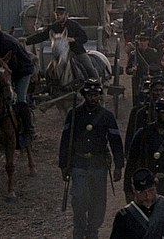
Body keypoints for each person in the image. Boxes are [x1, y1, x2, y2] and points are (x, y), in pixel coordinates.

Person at [58, 78, 124, 239]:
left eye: (96, 94)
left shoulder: (107, 116)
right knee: (79, 198)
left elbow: (115, 141)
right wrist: (63, 165)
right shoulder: (74, 114)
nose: (93, 98)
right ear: (84, 95)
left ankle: (92, 231)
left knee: (98, 201)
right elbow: (66, 139)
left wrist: (118, 166)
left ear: (100, 95)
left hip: (98, 164)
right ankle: (79, 230)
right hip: (79, 163)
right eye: (89, 94)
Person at [0, 18, 37, 140]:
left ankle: (29, 129)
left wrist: (8, 81)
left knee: (20, 99)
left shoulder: (5, 42)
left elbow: (13, 65)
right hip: (11, 69)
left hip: (23, 71)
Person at [26, 5, 98, 78]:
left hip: (77, 52)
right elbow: (41, 36)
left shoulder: (74, 25)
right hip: (60, 55)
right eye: (57, 14)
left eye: (61, 14)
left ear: (66, 15)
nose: (58, 16)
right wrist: (27, 40)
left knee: (89, 67)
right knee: (48, 71)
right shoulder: (54, 27)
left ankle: (96, 81)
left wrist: (73, 39)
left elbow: (84, 38)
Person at [110, 168, 164, 239]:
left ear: (155, 187)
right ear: (134, 190)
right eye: (142, 192)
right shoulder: (124, 216)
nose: (148, 196)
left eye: (151, 190)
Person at [126, 32, 161, 98]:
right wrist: (132, 70)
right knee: (137, 98)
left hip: (150, 79)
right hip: (138, 79)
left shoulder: (153, 53)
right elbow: (127, 70)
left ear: (148, 41)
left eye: (144, 40)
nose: (142, 43)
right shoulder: (133, 54)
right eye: (140, 40)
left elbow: (158, 67)